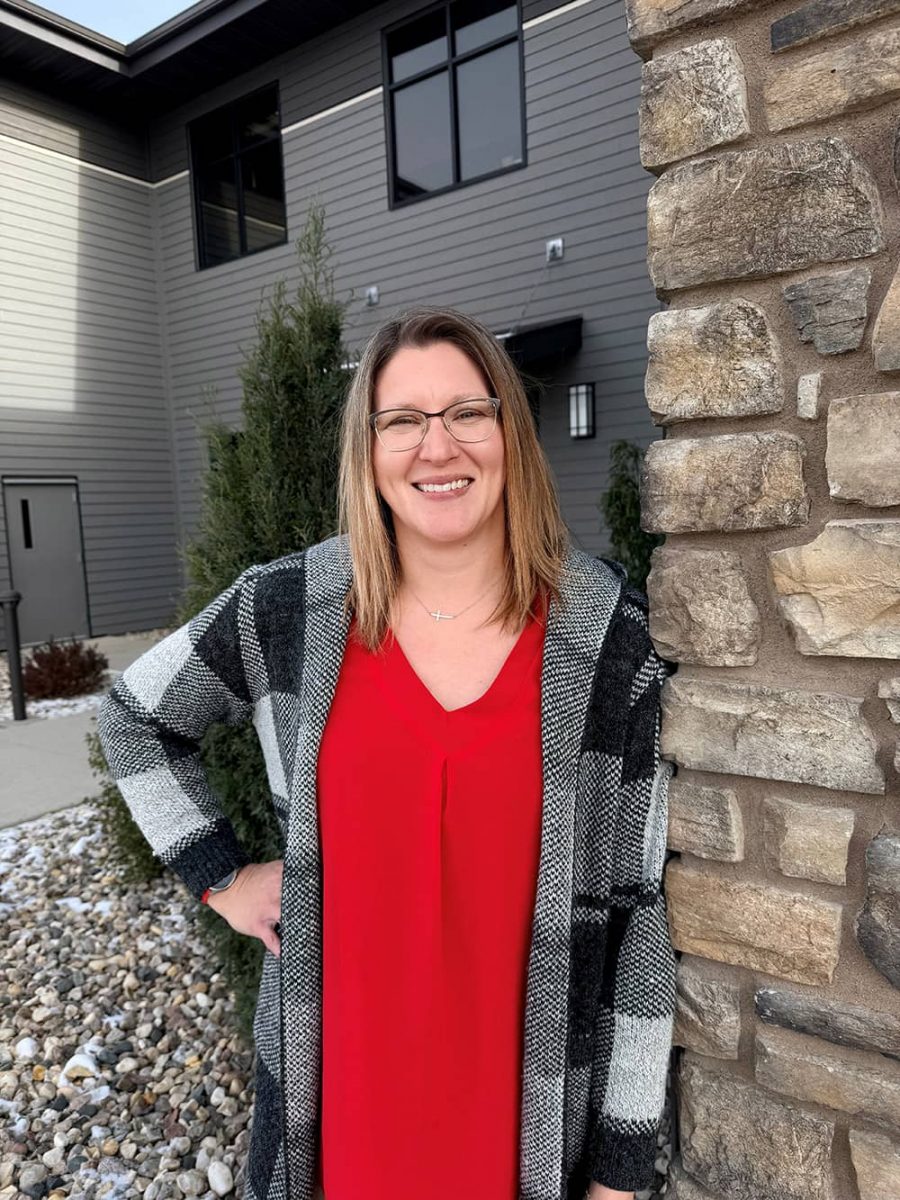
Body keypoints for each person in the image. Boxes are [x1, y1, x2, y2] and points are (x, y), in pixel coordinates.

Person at [97, 306, 677, 1200]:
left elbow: (638, 915)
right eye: (402, 421)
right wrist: (221, 876)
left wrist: (619, 1173)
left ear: (510, 434)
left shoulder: (606, 642)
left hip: (524, 1139)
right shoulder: (289, 611)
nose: (436, 447)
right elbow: (135, 715)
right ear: (367, 452)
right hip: (339, 1127)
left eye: (467, 413)